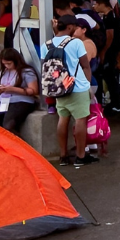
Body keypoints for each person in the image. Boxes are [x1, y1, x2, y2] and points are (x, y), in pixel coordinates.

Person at [46, 14, 95, 166]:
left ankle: (63, 156)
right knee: (80, 120)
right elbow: (85, 65)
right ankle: (80, 156)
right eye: (74, 26)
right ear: (69, 27)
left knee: (63, 119)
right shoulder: (76, 43)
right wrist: (88, 85)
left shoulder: (47, 44)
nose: (75, 29)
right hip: (77, 86)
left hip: (59, 87)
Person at [0, 47, 38, 134]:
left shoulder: (26, 71)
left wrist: (12, 89)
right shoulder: (4, 71)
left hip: (21, 100)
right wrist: (0, 89)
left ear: (16, 61)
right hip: (4, 100)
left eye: (9, 63)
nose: (7, 66)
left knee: (8, 125)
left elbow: (34, 91)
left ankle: (16, 145)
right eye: (4, 64)